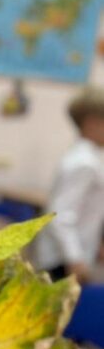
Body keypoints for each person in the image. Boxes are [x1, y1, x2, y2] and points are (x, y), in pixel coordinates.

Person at [35, 86, 104, 283]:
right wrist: (75, 258)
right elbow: (61, 214)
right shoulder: (83, 162)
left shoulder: (90, 157)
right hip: (61, 258)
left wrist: (95, 243)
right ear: (92, 123)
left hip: (73, 251)